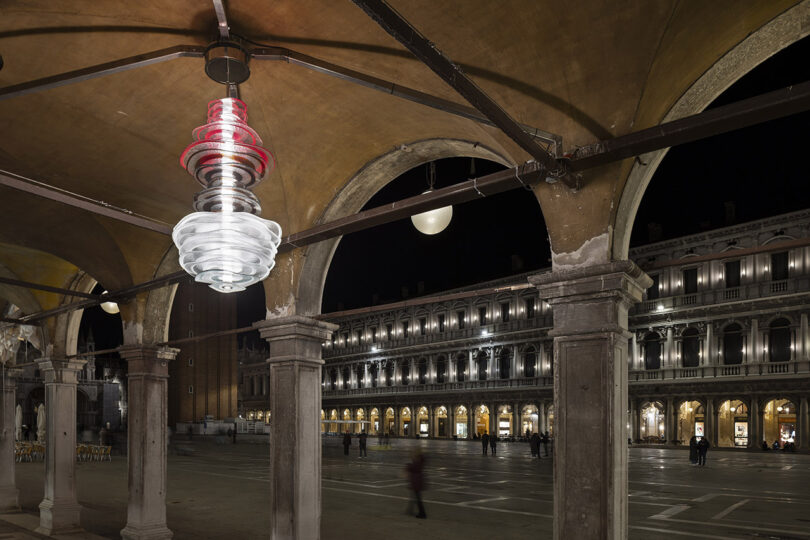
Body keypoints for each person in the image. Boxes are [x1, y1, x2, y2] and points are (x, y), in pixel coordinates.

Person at [405, 448, 427, 519]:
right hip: (417, 480)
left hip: (416, 481)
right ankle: (411, 510)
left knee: (418, 499)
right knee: (416, 497)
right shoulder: (420, 459)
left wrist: (408, 465)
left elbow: (413, 467)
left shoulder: (418, 460)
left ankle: (422, 513)